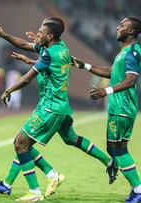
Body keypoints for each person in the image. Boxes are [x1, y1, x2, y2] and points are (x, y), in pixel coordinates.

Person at [0, 18, 115, 201]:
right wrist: (4, 35)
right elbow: (30, 48)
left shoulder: (47, 53)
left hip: (50, 107)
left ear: (50, 35)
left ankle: (35, 191)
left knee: (21, 144)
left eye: (40, 32)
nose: (37, 34)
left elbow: (27, 78)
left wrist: (8, 90)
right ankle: (108, 161)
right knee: (71, 139)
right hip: (61, 106)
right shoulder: (62, 49)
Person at [73, 17, 141, 203]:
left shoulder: (133, 52)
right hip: (119, 107)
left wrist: (106, 90)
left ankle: (138, 190)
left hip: (123, 107)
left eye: (122, 26)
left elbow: (130, 80)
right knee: (116, 148)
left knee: (117, 149)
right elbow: (112, 72)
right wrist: (84, 65)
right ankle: (137, 189)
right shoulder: (124, 51)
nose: (117, 28)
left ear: (131, 32)